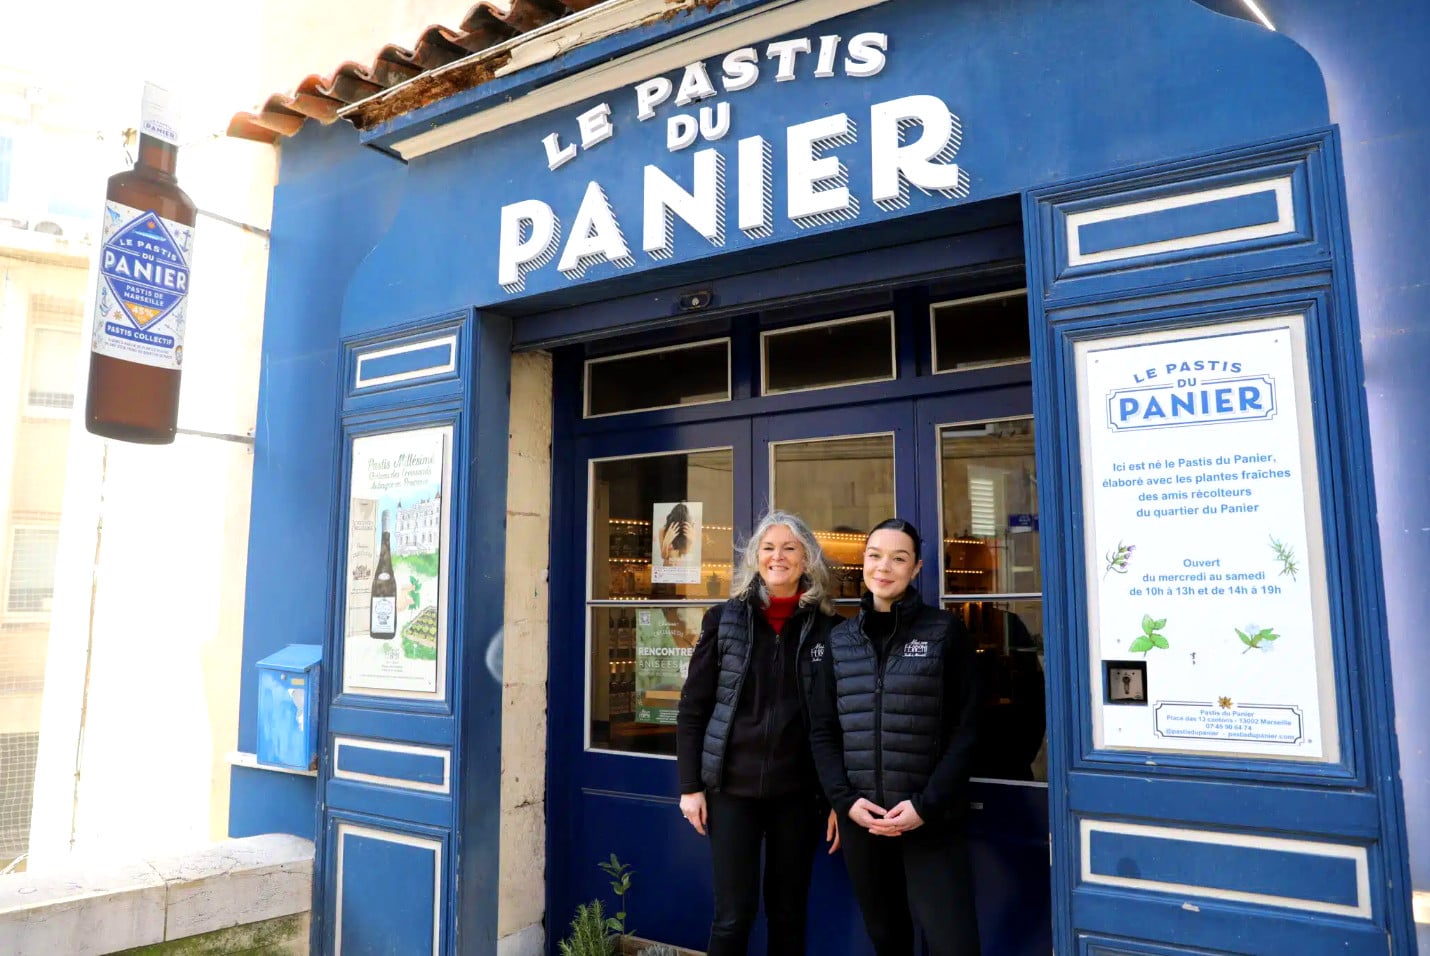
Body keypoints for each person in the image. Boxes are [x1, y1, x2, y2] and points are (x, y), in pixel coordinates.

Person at [809, 517, 982, 956]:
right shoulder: (840, 639)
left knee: (954, 944)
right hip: (864, 821)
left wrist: (928, 804)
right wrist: (845, 802)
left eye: (898, 558)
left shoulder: (943, 631)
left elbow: (969, 727)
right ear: (863, 563)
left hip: (929, 819)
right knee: (888, 941)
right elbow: (823, 730)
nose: (884, 567)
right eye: (875, 556)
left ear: (916, 568)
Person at [675, 510, 841, 956]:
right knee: (733, 916)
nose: (778, 557)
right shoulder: (725, 619)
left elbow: (841, 722)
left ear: (806, 559)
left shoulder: (831, 629)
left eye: (789, 548)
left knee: (788, 914)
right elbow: (693, 708)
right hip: (732, 791)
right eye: (768, 548)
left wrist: (836, 798)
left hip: (799, 795)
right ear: (755, 559)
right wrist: (690, 786)